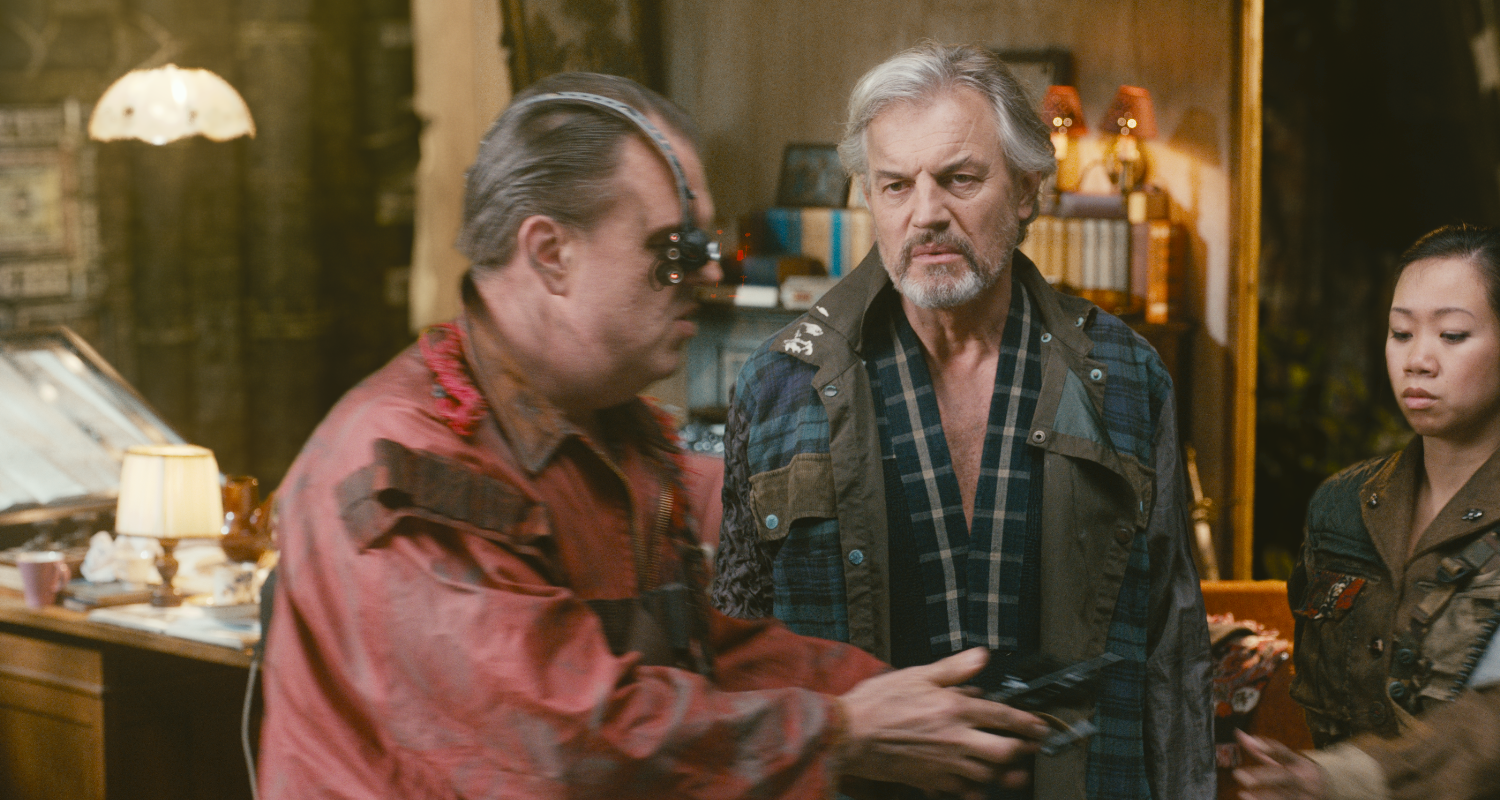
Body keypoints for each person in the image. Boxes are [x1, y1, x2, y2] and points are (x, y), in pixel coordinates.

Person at [257, 71, 1050, 799]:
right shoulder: (407, 460)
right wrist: (843, 731)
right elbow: (565, 746)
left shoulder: (612, 430)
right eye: (674, 249)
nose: (708, 273)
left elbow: (698, 652)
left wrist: (914, 698)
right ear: (551, 254)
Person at [712, 43, 1213, 800]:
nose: (926, 215)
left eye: (960, 179)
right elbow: (736, 653)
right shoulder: (780, 385)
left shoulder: (1126, 377)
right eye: (896, 185)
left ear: (1027, 190)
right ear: (870, 199)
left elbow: (1172, 657)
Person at [1237, 225, 1500, 800]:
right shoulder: (1341, 506)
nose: (1417, 360)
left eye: (1453, 335)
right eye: (1401, 333)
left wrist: (1354, 777)